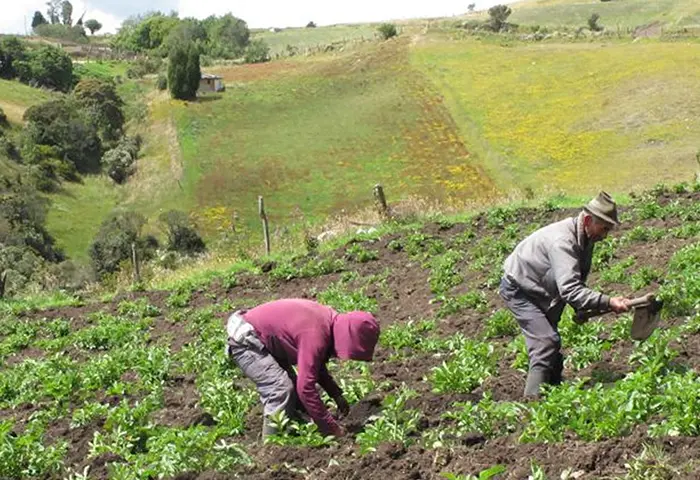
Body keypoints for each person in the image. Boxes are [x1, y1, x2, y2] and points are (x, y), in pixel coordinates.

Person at [498, 191, 631, 398]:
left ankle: (555, 391)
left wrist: (583, 308)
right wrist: (607, 301)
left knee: (550, 340)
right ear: (588, 220)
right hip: (520, 288)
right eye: (604, 228)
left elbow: (576, 277)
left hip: (544, 286)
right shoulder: (563, 241)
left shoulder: (585, 237)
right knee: (545, 341)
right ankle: (533, 403)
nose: (605, 235)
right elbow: (569, 289)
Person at [225, 298, 380, 439]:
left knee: (294, 394)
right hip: (247, 340)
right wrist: (332, 429)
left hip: (264, 338)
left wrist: (336, 395)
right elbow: (305, 388)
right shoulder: (315, 333)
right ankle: (271, 447)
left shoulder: (328, 321)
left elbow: (316, 365)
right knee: (280, 388)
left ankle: (296, 430)